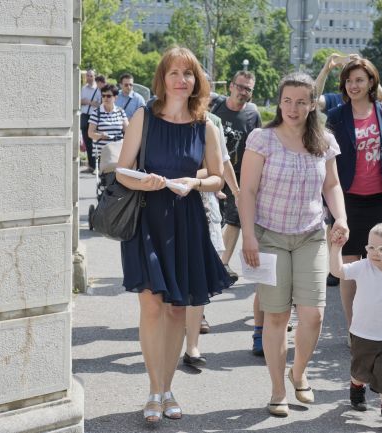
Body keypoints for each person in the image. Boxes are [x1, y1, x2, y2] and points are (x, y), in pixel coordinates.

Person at [116, 47, 232, 424]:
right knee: (152, 306)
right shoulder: (143, 117)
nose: (182, 79)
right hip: (148, 219)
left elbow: (216, 177)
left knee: (178, 309)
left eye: (188, 73)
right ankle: (153, 391)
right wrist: (144, 182)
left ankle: (167, 388)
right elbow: (121, 171)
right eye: (174, 73)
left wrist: (194, 183)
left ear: (196, 80)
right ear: (162, 79)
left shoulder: (206, 126)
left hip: (186, 221)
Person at [239, 72, 348, 417]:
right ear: (279, 102)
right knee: (277, 315)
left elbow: (331, 185)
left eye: (301, 101)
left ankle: (298, 372)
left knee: (313, 315)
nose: (293, 107)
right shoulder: (262, 138)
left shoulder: (325, 141)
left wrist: (341, 218)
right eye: (287, 100)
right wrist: (249, 236)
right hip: (269, 235)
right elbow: (248, 192)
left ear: (312, 104)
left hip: (311, 235)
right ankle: (277, 390)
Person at [326, 58, 382, 343]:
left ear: (371, 82)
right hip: (348, 200)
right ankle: (354, 329)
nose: (354, 85)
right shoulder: (337, 116)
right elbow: (328, 158)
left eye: (359, 80)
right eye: (349, 81)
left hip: (381, 197)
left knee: (381, 261)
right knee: (350, 266)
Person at [329, 222, 382, 431]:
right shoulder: (362, 266)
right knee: (360, 371)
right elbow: (337, 271)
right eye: (370, 247)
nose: (374, 253)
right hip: (361, 334)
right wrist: (336, 248)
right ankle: (357, 386)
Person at [210, 70, 264, 355]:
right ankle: (203, 301)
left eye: (249, 90)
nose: (244, 93)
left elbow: (258, 145)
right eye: (240, 87)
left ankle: (221, 265)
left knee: (233, 224)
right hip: (208, 178)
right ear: (231, 86)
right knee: (208, 233)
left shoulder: (253, 115)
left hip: (239, 180)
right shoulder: (215, 107)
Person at [183, 112, 229, 368]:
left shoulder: (210, 123)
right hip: (164, 205)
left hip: (201, 203)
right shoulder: (154, 116)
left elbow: (221, 165)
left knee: (197, 278)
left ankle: (192, 346)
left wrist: (234, 189)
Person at [88, 83, 129, 169]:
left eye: (109, 96)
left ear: (115, 97)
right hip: (103, 153)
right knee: (106, 179)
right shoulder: (96, 112)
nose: (105, 98)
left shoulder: (121, 112)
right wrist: (100, 136)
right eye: (103, 96)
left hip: (118, 152)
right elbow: (90, 133)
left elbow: (128, 131)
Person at [80, 70, 103, 173]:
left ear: (94, 77)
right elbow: (79, 101)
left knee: (96, 142)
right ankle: (91, 166)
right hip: (84, 116)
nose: (89, 77)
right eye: (88, 76)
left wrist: (88, 102)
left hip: (94, 118)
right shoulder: (83, 88)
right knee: (87, 142)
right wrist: (87, 102)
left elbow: (100, 104)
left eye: (91, 76)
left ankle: (99, 166)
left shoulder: (98, 89)